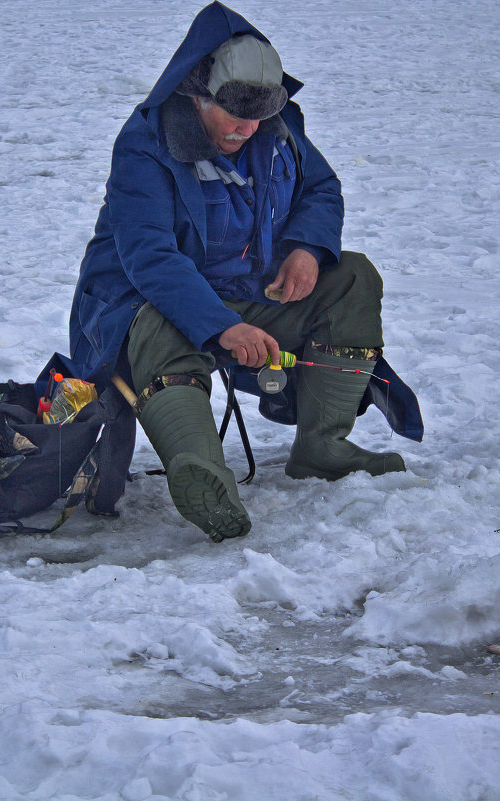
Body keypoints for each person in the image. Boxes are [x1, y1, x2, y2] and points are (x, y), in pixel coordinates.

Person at [69, 2, 408, 543]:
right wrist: (221, 326)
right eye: (234, 115)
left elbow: (321, 188)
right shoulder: (145, 144)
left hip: (249, 294)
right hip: (142, 303)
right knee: (156, 322)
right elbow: (150, 256)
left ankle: (323, 447)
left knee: (352, 278)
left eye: (258, 117)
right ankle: (201, 470)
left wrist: (306, 248)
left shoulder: (277, 128)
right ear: (198, 94)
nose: (247, 129)